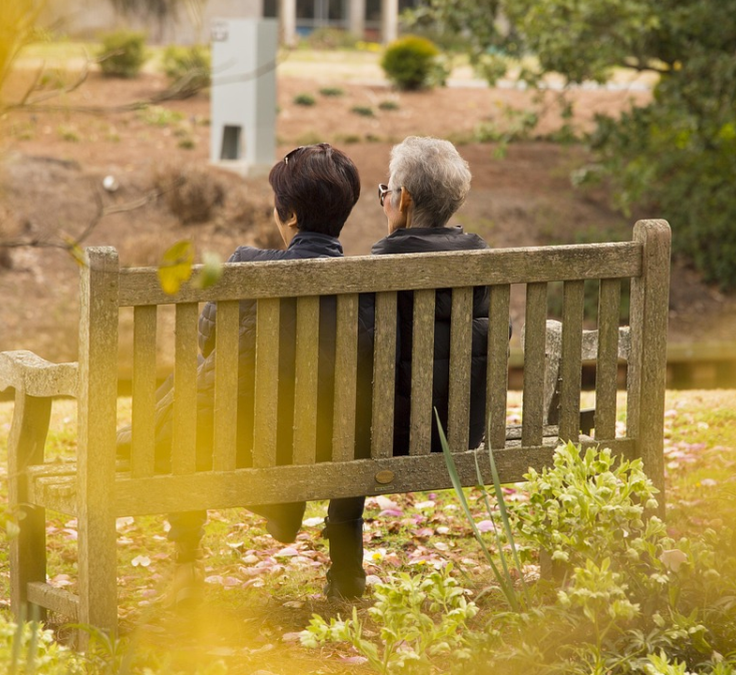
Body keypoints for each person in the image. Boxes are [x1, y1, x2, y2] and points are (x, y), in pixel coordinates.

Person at [123, 143, 366, 602]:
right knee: (194, 387)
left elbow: (207, 341)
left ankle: (187, 565)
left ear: (290, 215)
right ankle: (332, 558)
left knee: (190, 395)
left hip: (243, 441)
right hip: (331, 442)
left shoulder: (248, 266)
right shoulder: (369, 283)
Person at [372, 136, 493, 455]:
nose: (384, 200)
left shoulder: (380, 270)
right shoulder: (482, 264)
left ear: (405, 199)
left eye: (386, 192)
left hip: (392, 442)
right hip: (464, 435)